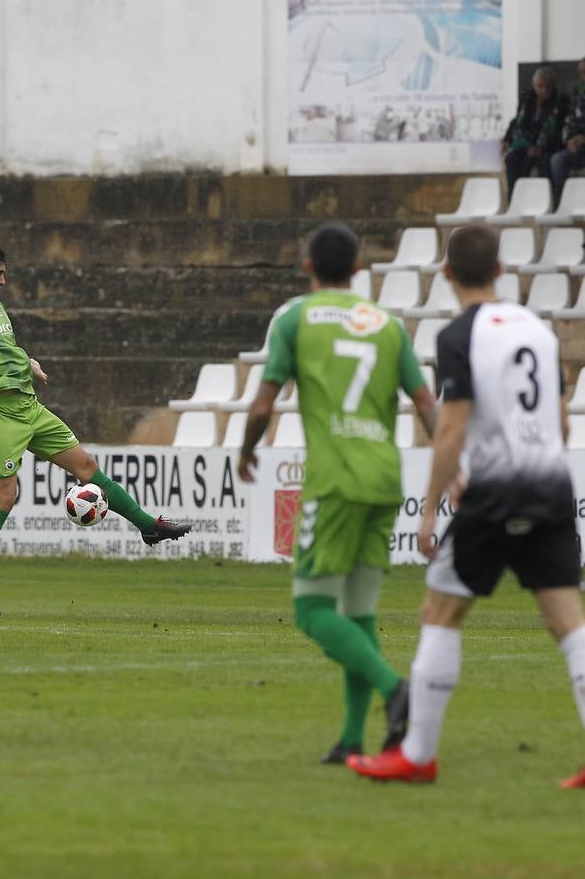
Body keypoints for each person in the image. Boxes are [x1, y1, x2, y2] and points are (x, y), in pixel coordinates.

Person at [347, 225, 585, 788]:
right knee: (570, 626)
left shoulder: (458, 335)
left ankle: (418, 754)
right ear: (502, 270)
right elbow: (557, 420)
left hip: (496, 492)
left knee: (440, 613)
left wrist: (430, 508)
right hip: (550, 484)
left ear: (446, 275)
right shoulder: (537, 329)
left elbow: (451, 427)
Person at [237, 223, 439, 765]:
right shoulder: (389, 327)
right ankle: (354, 738)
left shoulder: (296, 319)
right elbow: (426, 404)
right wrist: (451, 465)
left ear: (307, 267)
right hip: (384, 478)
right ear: (357, 270)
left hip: (334, 481)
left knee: (311, 609)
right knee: (359, 612)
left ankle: (396, 689)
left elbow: (261, 406)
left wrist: (246, 451)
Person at [0, 243, 191, 620]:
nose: (4, 281)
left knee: (87, 467)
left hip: (29, 406)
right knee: (5, 497)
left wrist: (29, 363)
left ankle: (149, 526)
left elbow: (2, 348)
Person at [502, 67, 566, 194]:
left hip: (548, 146)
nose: (544, 90)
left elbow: (559, 129)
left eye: (548, 86)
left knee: (544, 162)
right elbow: (517, 121)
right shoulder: (527, 98)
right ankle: (514, 198)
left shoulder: (561, 100)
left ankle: (546, 200)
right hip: (526, 142)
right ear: (534, 85)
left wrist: (540, 148)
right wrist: (507, 139)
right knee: (511, 158)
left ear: (553, 85)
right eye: (540, 86)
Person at [549, 58, 585, 206]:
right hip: (578, 149)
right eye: (581, 73)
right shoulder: (578, 96)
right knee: (557, 159)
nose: (583, 76)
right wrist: (569, 139)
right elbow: (568, 122)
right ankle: (564, 205)